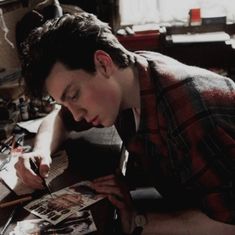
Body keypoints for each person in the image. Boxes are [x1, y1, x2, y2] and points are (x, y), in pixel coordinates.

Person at [14, 11, 235, 235]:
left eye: (73, 95)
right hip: (188, 202)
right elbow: (60, 117)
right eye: (65, 101)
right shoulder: (130, 77)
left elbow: (229, 224)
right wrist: (41, 151)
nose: (77, 115)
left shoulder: (191, 114)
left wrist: (137, 221)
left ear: (103, 63)